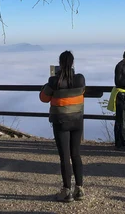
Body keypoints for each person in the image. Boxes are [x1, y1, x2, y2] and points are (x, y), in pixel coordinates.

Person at [40, 50, 86, 203]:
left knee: (65, 157)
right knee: (76, 155)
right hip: (77, 121)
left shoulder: (54, 81)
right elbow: (82, 91)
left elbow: (43, 98)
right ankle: (79, 189)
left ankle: (66, 191)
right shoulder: (80, 79)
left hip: (61, 122)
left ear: (59, 63)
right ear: (73, 63)